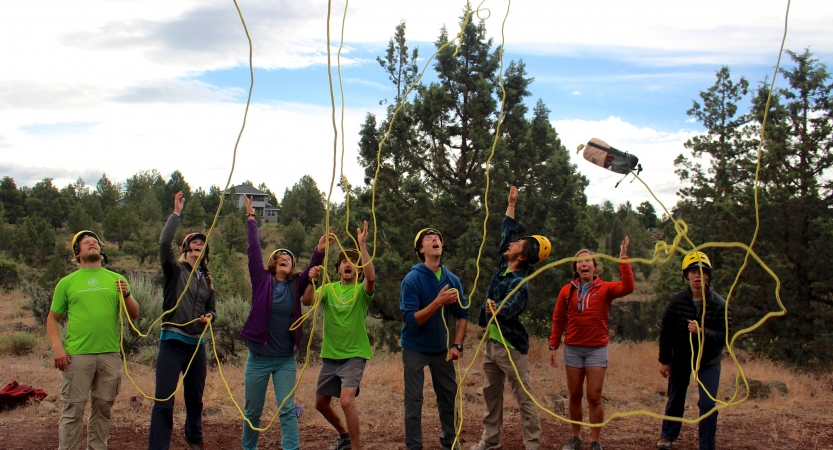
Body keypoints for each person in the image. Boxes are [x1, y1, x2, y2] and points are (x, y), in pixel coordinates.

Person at [239, 194, 332, 450]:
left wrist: (319, 252)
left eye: (289, 257)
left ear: (291, 267)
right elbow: (253, 248)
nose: (284, 257)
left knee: (287, 410)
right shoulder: (261, 279)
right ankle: (249, 448)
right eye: (280, 256)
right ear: (273, 263)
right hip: (257, 357)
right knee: (252, 412)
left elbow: (313, 266)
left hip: (284, 359)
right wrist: (251, 218)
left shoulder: (295, 284)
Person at [470, 186, 552, 450]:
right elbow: (506, 229)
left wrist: (498, 309)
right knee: (491, 394)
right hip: (491, 346)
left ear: (523, 255)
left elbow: (513, 308)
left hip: (511, 348)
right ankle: (490, 440)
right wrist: (511, 203)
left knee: (524, 397)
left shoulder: (521, 282)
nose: (511, 243)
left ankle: (533, 445)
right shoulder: (503, 266)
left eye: (518, 243)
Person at [47, 230, 139, 450]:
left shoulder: (117, 280)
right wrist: (58, 347)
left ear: (101, 250)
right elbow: (53, 319)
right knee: (72, 411)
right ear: (77, 252)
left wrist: (126, 295)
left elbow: (134, 314)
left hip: (109, 355)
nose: (92, 244)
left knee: (103, 410)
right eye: (86, 242)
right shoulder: (66, 283)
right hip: (77, 356)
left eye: (95, 242)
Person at [548, 239, 634, 450]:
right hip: (573, 349)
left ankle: (595, 441)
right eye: (580, 262)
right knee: (575, 395)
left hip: (597, 348)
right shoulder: (566, 291)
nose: (584, 265)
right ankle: (576, 437)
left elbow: (628, 287)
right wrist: (553, 345)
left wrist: (623, 257)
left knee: (594, 396)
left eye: (588, 261)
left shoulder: (605, 288)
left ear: (594, 266)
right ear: (575, 267)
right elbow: (559, 319)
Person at [149, 191, 216, 450]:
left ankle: (193, 438)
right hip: (172, 343)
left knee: (195, 399)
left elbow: (212, 309)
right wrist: (175, 216)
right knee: (164, 400)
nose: (198, 245)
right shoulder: (174, 270)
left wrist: (209, 316)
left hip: (196, 345)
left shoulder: (209, 280)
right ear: (186, 248)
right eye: (194, 243)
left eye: (202, 244)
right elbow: (164, 245)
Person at [304, 220, 376, 450]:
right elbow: (307, 301)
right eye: (345, 260)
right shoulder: (329, 289)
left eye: (355, 263)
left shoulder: (361, 291)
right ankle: (344, 435)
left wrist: (362, 246)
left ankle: (355, 447)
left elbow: (371, 278)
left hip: (354, 355)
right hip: (330, 355)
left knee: (346, 401)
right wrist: (310, 279)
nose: (349, 264)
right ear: (337, 268)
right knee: (320, 404)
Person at [400, 226, 469, 450]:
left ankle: (450, 442)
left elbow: (462, 314)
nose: (435, 240)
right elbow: (411, 320)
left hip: (441, 349)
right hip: (414, 348)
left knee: (449, 397)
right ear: (421, 249)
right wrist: (437, 303)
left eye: (437, 237)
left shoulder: (452, 280)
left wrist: (457, 344)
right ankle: (414, 447)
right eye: (429, 238)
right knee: (414, 401)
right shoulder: (412, 279)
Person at [656, 252, 730, 450]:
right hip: (680, 357)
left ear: (708, 276)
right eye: (693, 271)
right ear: (686, 275)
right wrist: (664, 360)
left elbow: (724, 336)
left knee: (707, 404)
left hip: (708, 361)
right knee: (676, 397)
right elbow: (666, 332)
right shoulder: (676, 301)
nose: (698, 276)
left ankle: (707, 446)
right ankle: (667, 436)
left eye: (702, 272)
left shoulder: (719, 304)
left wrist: (701, 332)